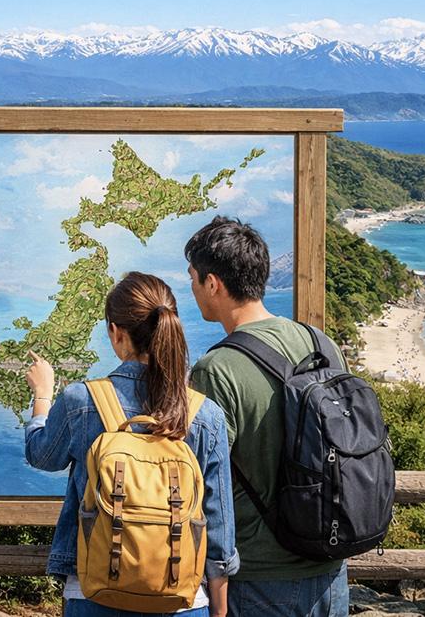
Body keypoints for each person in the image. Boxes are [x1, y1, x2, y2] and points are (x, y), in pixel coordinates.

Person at [25, 271, 239, 617]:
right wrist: (218, 607)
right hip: (181, 597)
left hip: (94, 592)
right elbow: (218, 523)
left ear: (116, 333)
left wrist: (42, 396)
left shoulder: (82, 400)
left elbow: (41, 455)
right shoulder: (204, 414)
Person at [183, 217, 349, 616]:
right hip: (331, 568)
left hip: (262, 577)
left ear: (213, 283)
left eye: (192, 277)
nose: (190, 289)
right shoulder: (320, 343)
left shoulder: (216, 369)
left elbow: (200, 480)